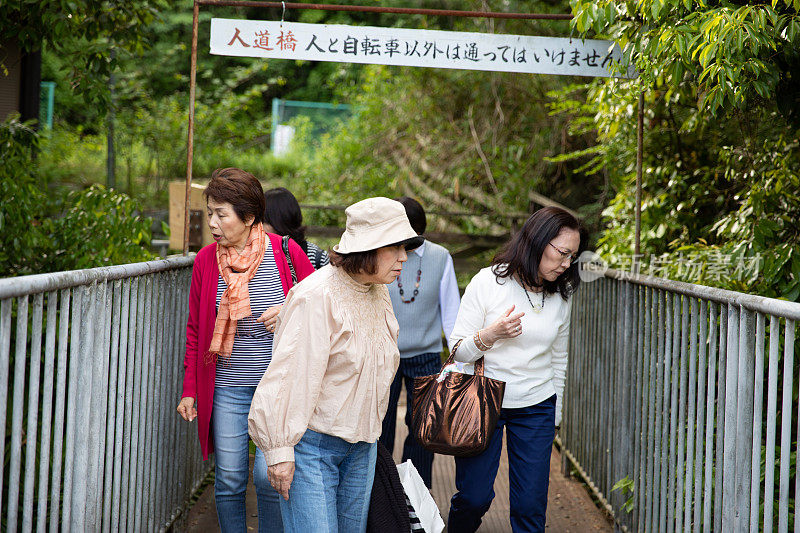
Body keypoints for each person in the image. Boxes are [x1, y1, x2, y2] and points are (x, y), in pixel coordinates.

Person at [248, 197, 424, 533]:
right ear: (369, 248)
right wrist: (279, 450)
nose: (405, 256)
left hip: (363, 448)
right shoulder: (316, 296)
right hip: (312, 450)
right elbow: (288, 377)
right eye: (396, 246)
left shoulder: (378, 290)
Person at [176, 167, 315, 533]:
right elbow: (195, 330)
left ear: (250, 216)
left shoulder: (286, 253)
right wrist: (190, 389)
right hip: (226, 386)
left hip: (276, 388)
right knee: (230, 479)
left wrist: (287, 309)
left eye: (222, 214)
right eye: (210, 213)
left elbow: (320, 308)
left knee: (268, 478)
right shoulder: (206, 260)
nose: (213, 223)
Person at [447, 206, 588, 533]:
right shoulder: (488, 281)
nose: (567, 264)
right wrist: (491, 334)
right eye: (562, 253)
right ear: (538, 242)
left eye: (573, 256)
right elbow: (458, 350)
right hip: (483, 400)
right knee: (474, 497)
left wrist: (556, 416)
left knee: (529, 505)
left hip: (537, 406)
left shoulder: (561, 296)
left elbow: (559, 360)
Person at [380, 196, 460, 488]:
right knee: (381, 428)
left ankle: (416, 501)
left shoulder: (440, 257)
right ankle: (381, 500)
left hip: (426, 355)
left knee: (423, 432)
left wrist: (458, 359)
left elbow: (451, 313)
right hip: (386, 354)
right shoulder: (381, 254)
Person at [264, 186, 330, 269]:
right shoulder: (256, 258)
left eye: (264, 221)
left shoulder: (318, 258)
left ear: (278, 222)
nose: (260, 227)